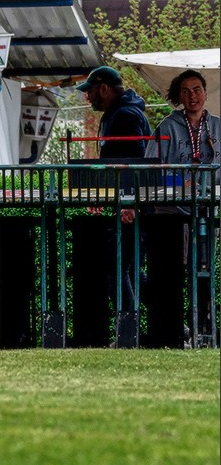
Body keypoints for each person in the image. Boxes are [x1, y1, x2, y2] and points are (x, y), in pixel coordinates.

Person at [75, 65, 152, 347]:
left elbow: (134, 161)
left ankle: (130, 332)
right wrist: (102, 195)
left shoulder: (125, 116)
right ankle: (169, 321)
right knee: (127, 270)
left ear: (104, 88)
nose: (88, 98)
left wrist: (129, 203)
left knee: (121, 270)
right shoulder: (118, 114)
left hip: (131, 208)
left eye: (91, 92)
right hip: (126, 205)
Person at [143, 70, 219, 348]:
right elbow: (151, 173)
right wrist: (180, 180)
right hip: (171, 214)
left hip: (207, 212)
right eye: (186, 91)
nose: (192, 96)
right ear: (179, 96)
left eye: (197, 89)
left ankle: (205, 331)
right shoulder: (167, 127)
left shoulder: (217, 127)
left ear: (205, 93)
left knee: (205, 271)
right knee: (171, 275)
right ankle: (170, 335)